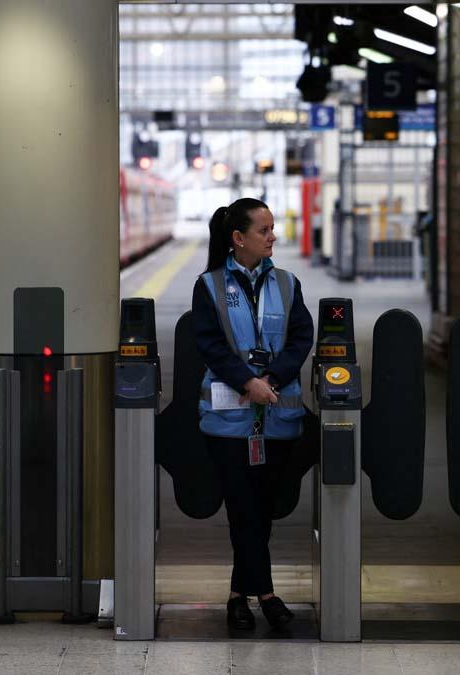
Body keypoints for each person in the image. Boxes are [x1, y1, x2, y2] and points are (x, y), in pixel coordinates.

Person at [192, 197, 313, 630]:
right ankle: (267, 595)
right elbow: (209, 344)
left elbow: (301, 338)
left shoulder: (287, 282)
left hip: (277, 418)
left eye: (272, 228)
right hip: (229, 421)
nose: (272, 237)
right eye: (263, 230)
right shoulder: (208, 285)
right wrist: (249, 383)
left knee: (261, 511)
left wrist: (273, 382)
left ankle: (236, 596)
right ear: (238, 239)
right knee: (243, 509)